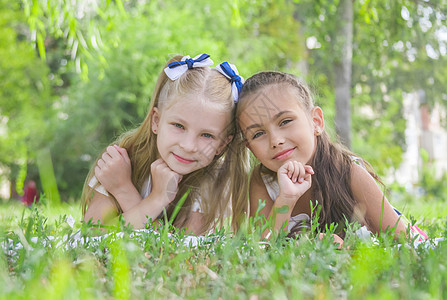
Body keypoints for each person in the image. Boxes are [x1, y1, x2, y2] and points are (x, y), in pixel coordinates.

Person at [236, 71, 427, 242]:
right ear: (250, 147)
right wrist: (286, 199)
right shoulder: (263, 180)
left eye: (285, 121)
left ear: (316, 121)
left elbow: (404, 243)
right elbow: (263, 247)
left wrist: (349, 252)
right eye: (258, 134)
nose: (275, 140)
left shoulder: (348, 171)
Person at [81, 54, 250, 235]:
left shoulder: (213, 182)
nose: (188, 145)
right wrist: (142, 194)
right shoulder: (123, 161)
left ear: (223, 144)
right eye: (179, 126)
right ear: (156, 121)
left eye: (207, 135)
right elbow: (92, 235)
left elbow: (176, 256)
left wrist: (129, 193)